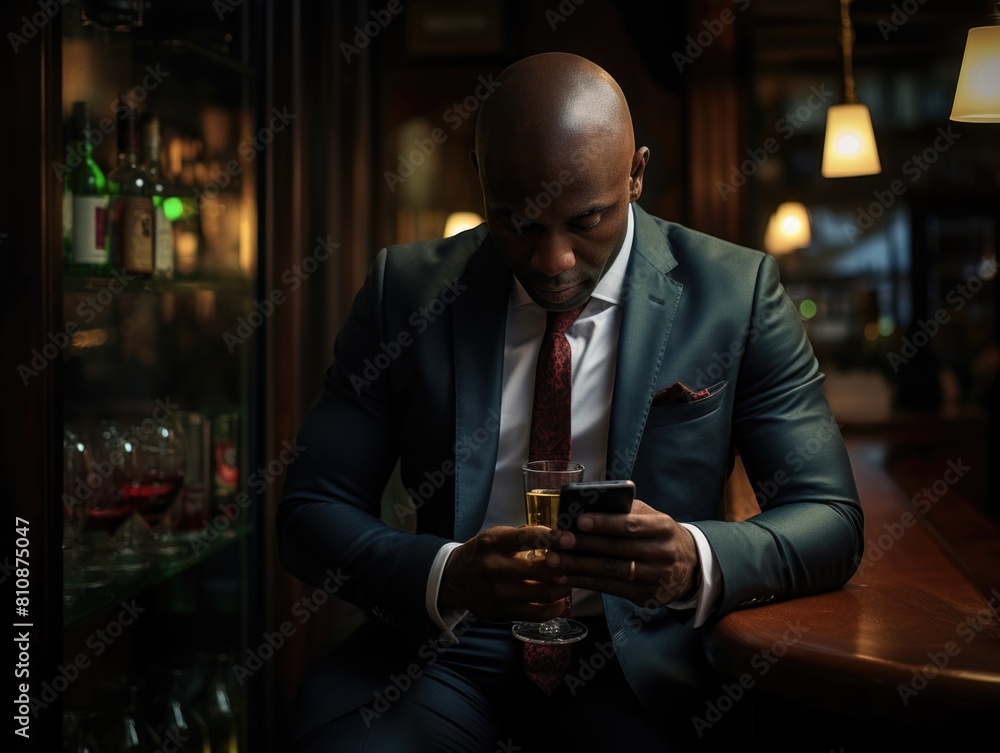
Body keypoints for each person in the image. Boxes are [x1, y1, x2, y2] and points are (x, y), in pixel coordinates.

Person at [276, 51, 864, 751]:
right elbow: (309, 511)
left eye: (586, 220)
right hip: (444, 653)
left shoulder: (736, 296)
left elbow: (831, 519)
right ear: (480, 178)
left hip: (640, 664)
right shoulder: (403, 293)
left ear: (636, 173)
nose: (553, 262)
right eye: (518, 222)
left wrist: (694, 557)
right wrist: (447, 572)